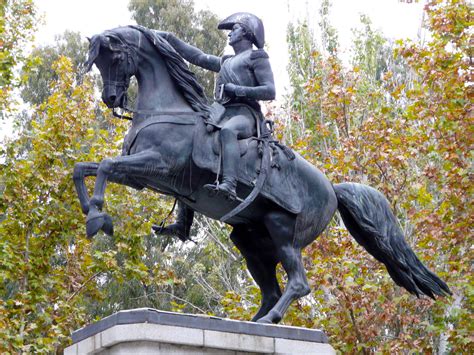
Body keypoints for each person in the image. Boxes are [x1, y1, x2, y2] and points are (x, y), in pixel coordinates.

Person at [155, 12, 275, 240]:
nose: (230, 33)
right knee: (189, 144)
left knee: (229, 132)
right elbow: (198, 56)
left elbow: (270, 90)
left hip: (245, 114)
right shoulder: (226, 61)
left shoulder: (257, 57)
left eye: (235, 29)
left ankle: (229, 184)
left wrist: (237, 90)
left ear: (247, 33)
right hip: (221, 113)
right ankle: (182, 224)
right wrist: (170, 38)